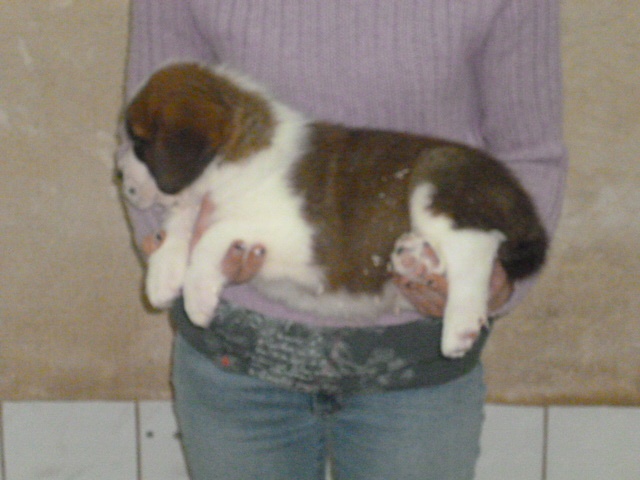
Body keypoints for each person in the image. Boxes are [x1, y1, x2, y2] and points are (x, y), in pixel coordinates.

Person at [119, 2, 566, 479]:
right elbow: (148, 129)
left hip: (416, 363)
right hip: (235, 359)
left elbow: (531, 153)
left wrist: (496, 280)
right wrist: (177, 243)